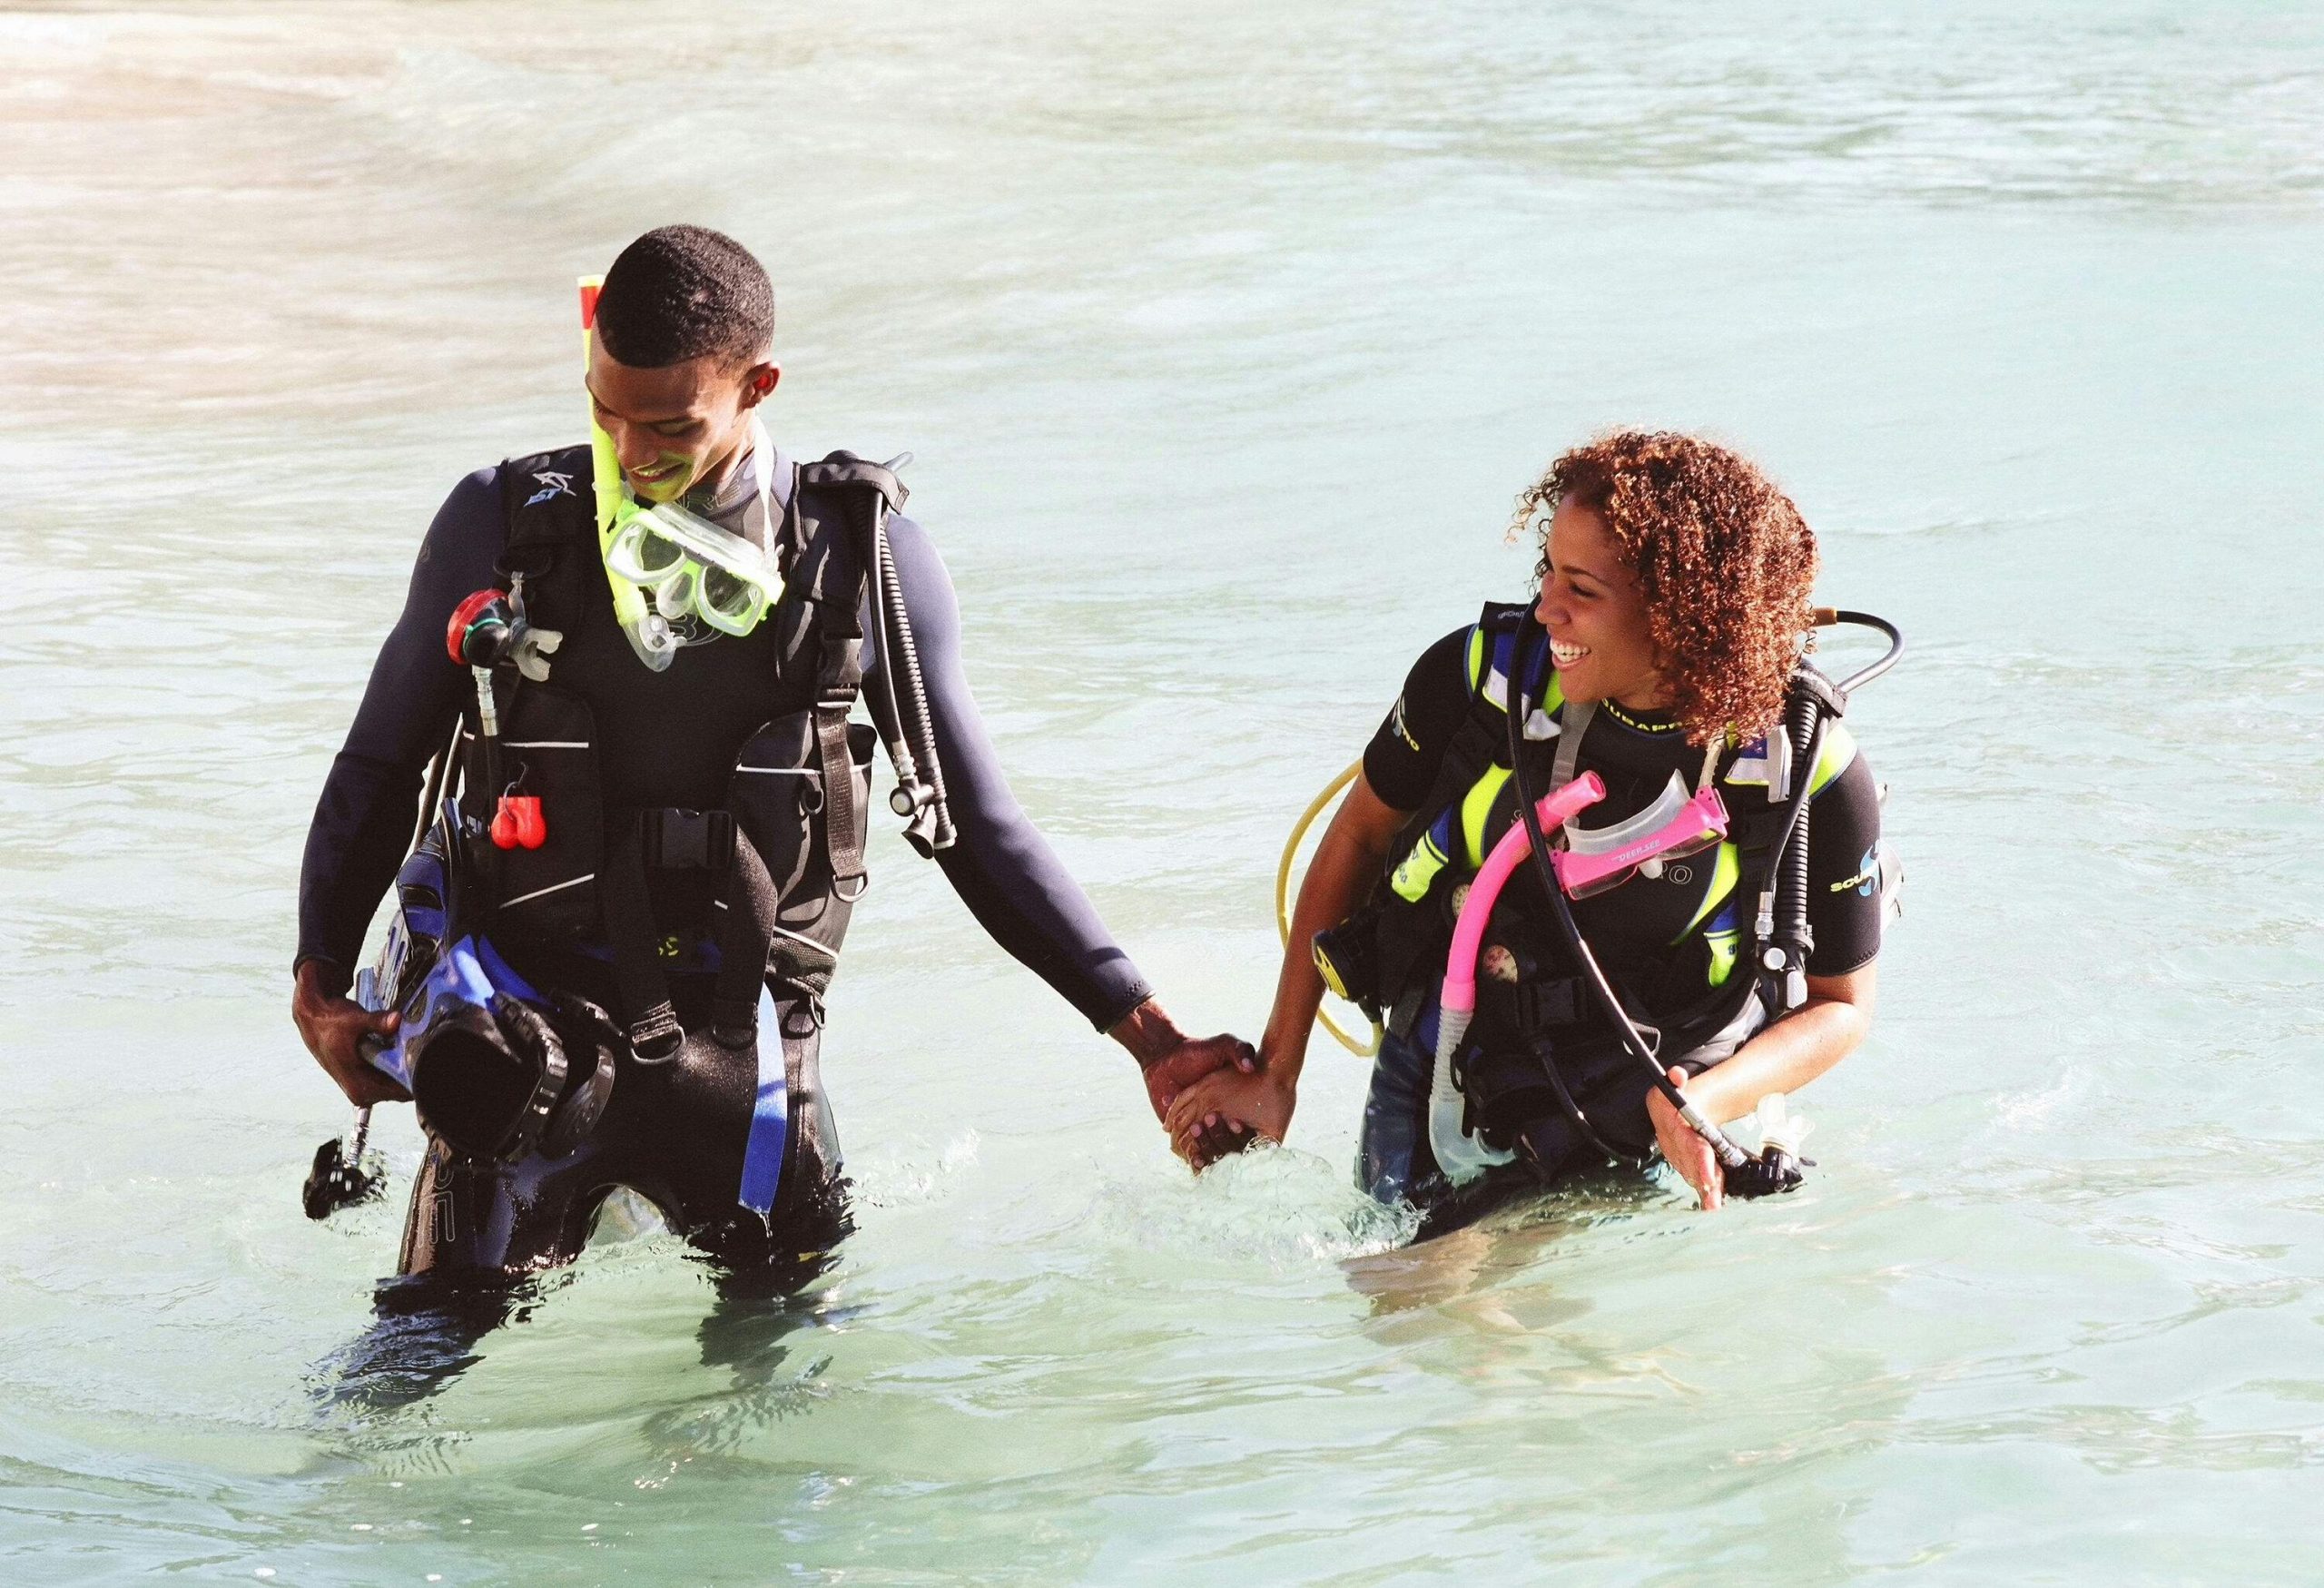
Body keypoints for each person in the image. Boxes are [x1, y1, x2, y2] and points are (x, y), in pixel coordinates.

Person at [293, 225, 1250, 1320]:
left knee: (779, 1404)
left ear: (759, 385)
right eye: (602, 409)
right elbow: (378, 764)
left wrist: (1151, 1038)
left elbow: (975, 827)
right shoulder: (501, 523)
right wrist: (319, 979)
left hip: (742, 1059)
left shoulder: (860, 558)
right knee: (400, 1379)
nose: (629, 450)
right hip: (518, 1051)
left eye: (669, 426)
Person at [1167, 431, 1892, 1233]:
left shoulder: (1804, 766)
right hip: (1447, 1056)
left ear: (1680, 614)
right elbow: (1356, 840)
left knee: (1552, 1342)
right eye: (1547, 569)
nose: (1546, 605)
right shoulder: (1480, 680)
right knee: (1403, 1314)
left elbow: (1841, 1007)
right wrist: (1277, 1071)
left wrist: (1699, 1103)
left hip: (1642, 1101)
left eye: (1581, 586)